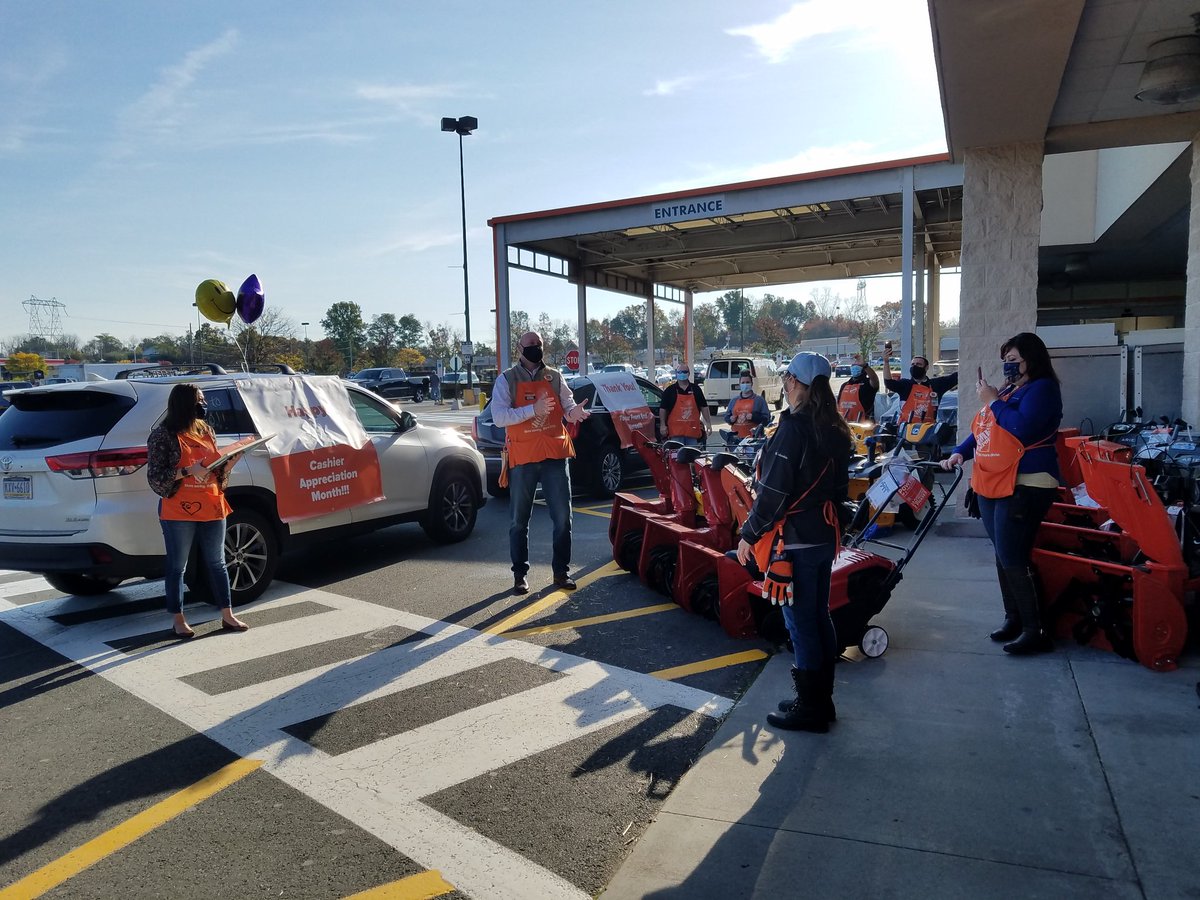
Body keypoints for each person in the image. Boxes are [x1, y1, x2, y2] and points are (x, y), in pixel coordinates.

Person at [735, 352, 851, 733]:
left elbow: (771, 494)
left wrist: (748, 535)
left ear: (795, 384)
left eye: (787, 379)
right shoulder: (835, 429)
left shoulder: (793, 429)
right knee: (819, 616)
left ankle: (810, 708)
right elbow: (839, 490)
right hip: (823, 538)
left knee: (801, 623)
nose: (784, 384)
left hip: (794, 542)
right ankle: (821, 700)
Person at [941, 332, 1063, 655]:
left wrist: (993, 400)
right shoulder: (1010, 392)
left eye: (1014, 360)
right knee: (1003, 554)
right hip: (995, 481)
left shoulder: (1042, 390)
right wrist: (960, 452)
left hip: (1028, 482)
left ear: (1031, 360)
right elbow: (986, 429)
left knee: (1012, 554)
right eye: (1005, 360)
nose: (1007, 366)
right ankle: (1015, 618)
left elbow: (1020, 427)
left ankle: (1034, 629)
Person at [491, 331, 592, 594]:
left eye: (539, 345)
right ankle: (519, 575)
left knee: (563, 518)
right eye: (530, 345)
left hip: (555, 456)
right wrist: (532, 411)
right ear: (519, 348)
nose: (536, 348)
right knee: (518, 520)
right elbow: (500, 417)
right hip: (523, 457)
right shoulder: (506, 380)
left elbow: (567, 406)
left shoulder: (555, 377)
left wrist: (575, 414)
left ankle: (561, 572)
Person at [147, 384, 249, 638]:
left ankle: (227, 615)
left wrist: (228, 466)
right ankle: (178, 619)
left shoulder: (207, 431)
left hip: (211, 504)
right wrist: (187, 471)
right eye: (199, 400)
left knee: (218, 562)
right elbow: (155, 478)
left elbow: (215, 472)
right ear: (184, 404)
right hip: (178, 509)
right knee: (177, 567)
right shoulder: (163, 435)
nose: (203, 405)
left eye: (203, 400)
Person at [882, 341, 958, 424]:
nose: (915, 366)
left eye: (918, 364)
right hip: (905, 429)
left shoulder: (936, 385)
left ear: (926, 367)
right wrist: (886, 362)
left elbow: (956, 377)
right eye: (913, 364)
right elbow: (888, 382)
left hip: (928, 431)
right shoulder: (905, 385)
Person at [659, 366, 712, 446]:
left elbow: (704, 407)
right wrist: (662, 425)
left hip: (692, 432)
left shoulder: (696, 389)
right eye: (680, 372)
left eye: (684, 372)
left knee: (692, 456)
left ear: (689, 373)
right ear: (676, 374)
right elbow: (663, 409)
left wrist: (708, 423)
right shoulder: (670, 390)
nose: (682, 374)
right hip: (675, 432)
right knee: (676, 456)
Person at [723, 370, 772, 440]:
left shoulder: (759, 400)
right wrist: (730, 419)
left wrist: (754, 417)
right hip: (736, 439)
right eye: (743, 383)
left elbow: (767, 419)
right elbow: (726, 417)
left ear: (752, 383)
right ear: (739, 384)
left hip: (754, 439)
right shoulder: (734, 401)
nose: (745, 384)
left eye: (747, 382)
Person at [836, 353, 880, 422]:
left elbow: (874, 379)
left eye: (857, 365)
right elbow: (838, 405)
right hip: (845, 425)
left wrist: (865, 366)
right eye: (853, 365)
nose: (854, 366)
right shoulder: (844, 385)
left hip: (863, 425)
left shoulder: (868, 384)